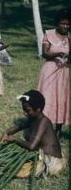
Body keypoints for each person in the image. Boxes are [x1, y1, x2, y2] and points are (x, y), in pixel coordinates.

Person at [1, 90, 65, 178]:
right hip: (40, 155)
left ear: (38, 109)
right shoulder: (33, 118)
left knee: (10, 168)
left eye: (27, 110)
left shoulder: (43, 121)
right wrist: (7, 132)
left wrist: (14, 139)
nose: (24, 113)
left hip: (50, 161)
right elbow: (19, 126)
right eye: (23, 109)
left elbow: (32, 146)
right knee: (7, 162)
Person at [37, 8, 70, 140]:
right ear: (57, 23)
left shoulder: (70, 37)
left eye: (68, 24)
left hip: (65, 73)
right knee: (47, 98)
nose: (65, 26)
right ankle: (44, 129)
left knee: (61, 100)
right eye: (63, 23)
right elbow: (45, 53)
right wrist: (58, 53)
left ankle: (58, 131)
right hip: (50, 71)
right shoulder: (49, 34)